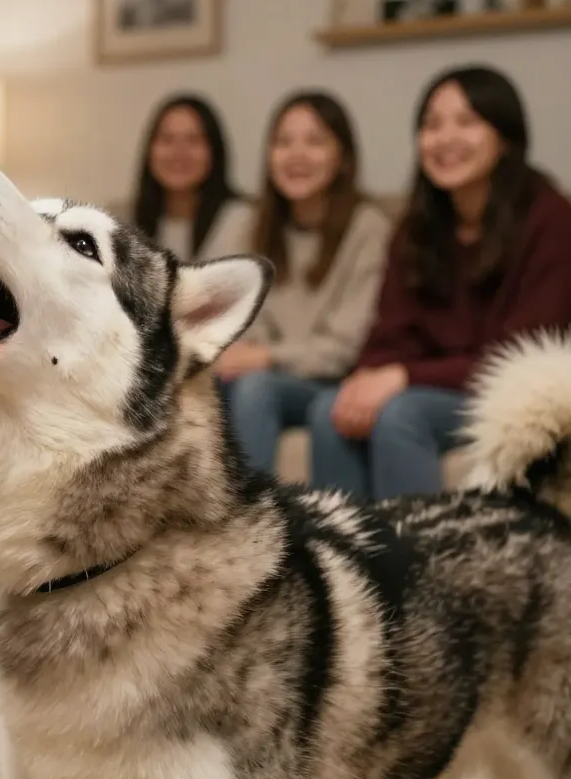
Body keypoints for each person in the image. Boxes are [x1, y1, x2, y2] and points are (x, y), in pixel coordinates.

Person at [307, 65, 571, 501]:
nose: (445, 138)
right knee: (326, 409)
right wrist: (371, 377)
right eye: (431, 124)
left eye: (466, 122)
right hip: (435, 387)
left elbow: (522, 356)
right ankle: (342, 562)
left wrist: (402, 377)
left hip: (512, 396)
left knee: (400, 414)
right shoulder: (417, 225)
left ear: (504, 138)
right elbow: (386, 336)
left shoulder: (552, 220)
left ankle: (422, 566)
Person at [215, 90, 391, 475]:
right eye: (283, 142)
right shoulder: (248, 225)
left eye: (314, 141)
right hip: (248, 379)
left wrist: (266, 356)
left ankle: (248, 527)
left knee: (254, 387)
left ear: (342, 157)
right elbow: (232, 322)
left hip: (326, 385)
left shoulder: (368, 227)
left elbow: (341, 349)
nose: (296, 155)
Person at [127, 93, 253, 262]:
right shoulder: (123, 223)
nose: (178, 152)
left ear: (214, 151)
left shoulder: (244, 221)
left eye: (193, 140)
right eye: (167, 139)